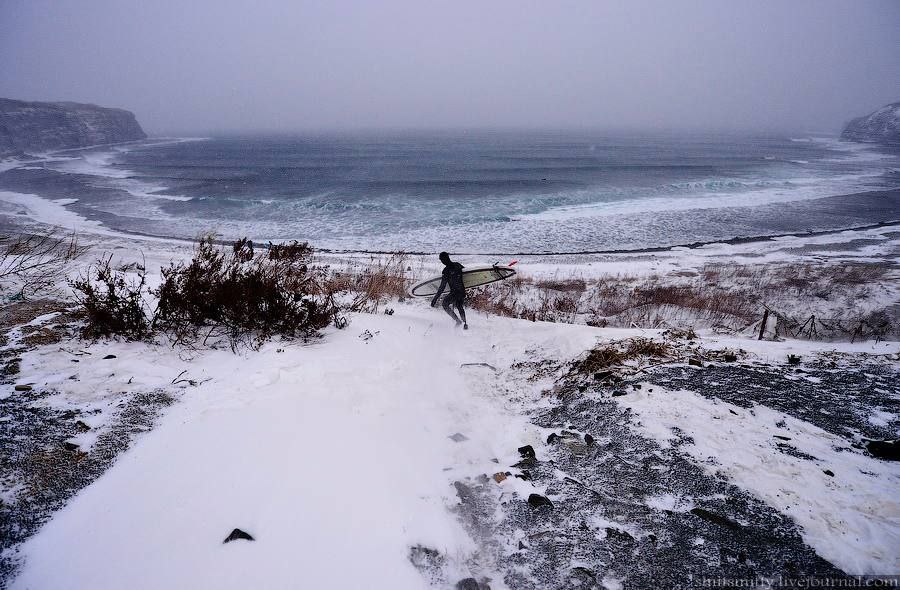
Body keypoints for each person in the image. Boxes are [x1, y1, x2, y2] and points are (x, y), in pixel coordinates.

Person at [431, 251, 468, 329]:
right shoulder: (458, 265)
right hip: (461, 291)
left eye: (441, 260)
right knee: (459, 305)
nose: (442, 262)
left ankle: (458, 321)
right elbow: (467, 275)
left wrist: (435, 298)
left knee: (445, 304)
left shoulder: (446, 271)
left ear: (444, 260)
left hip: (455, 292)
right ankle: (465, 323)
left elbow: (442, 287)